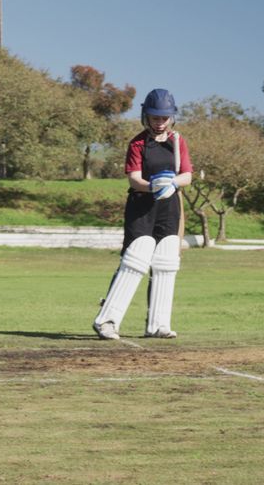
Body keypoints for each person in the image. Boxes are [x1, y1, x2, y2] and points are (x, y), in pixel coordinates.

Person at [93, 88, 193, 340]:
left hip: (169, 207)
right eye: (155, 117)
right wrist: (153, 186)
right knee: (136, 258)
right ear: (146, 116)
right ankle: (107, 321)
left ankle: (158, 324)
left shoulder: (178, 142)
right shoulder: (137, 143)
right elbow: (134, 178)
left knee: (167, 261)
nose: (159, 123)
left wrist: (172, 184)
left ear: (172, 117)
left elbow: (187, 175)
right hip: (141, 205)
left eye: (164, 118)